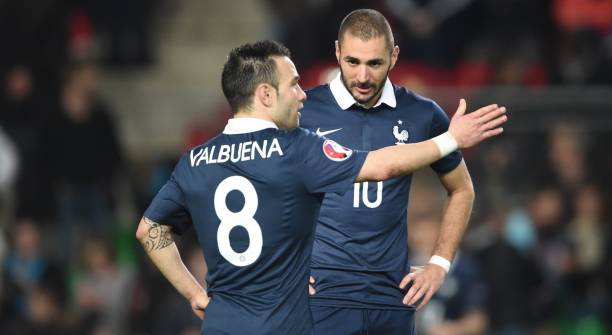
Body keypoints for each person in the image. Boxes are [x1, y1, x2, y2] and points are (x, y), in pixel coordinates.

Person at [135, 40, 506, 335]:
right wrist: (450, 139)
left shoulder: (196, 159)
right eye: (293, 84)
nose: (302, 94)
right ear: (265, 94)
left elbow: (149, 230)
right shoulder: (297, 148)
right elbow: (381, 165)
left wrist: (194, 292)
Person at [299, 9, 493, 334]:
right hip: (322, 298)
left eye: (374, 63)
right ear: (337, 52)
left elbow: (462, 189)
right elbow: (268, 188)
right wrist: (282, 265)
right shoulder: (303, 111)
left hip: (392, 300)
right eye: (352, 62)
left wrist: (439, 264)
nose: (362, 76)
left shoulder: (421, 114)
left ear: (394, 56)